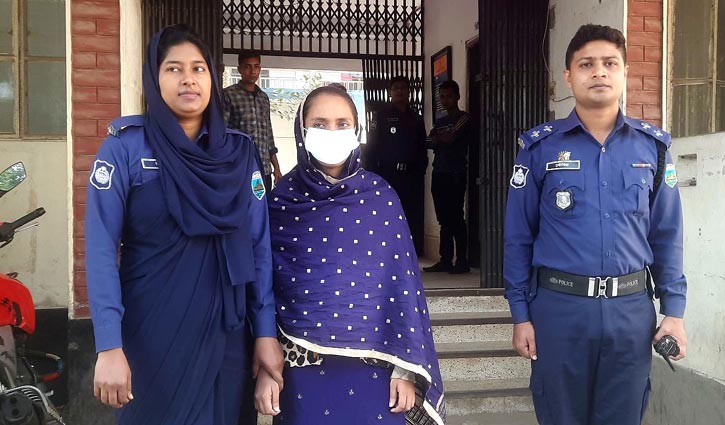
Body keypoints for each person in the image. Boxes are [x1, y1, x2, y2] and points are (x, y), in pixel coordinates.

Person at [85, 24, 283, 425]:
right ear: (154, 78)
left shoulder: (238, 153)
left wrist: (265, 332)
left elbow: (259, 248)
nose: (188, 79)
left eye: (198, 68)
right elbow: (101, 250)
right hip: (152, 332)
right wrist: (108, 344)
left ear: (212, 78)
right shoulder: (125, 148)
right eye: (173, 68)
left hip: (227, 335)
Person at [503, 24, 687, 425]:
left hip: (630, 313)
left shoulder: (652, 148)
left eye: (610, 63)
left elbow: (667, 235)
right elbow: (518, 236)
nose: (599, 72)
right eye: (586, 64)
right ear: (568, 75)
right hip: (559, 311)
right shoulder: (540, 148)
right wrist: (520, 314)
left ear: (624, 72)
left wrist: (673, 312)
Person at [258, 86, 446, 425]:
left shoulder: (381, 198)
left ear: (357, 130)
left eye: (342, 124)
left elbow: (404, 289)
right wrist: (266, 366)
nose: (332, 132)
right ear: (302, 130)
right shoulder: (281, 201)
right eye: (320, 123)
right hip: (301, 367)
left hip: (376, 371)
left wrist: (405, 370)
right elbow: (262, 289)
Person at [363, 76, 427, 255]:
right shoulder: (381, 116)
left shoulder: (416, 118)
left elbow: (421, 148)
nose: (399, 91)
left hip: (410, 177)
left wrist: (419, 172)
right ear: (390, 92)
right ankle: (385, 254)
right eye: (396, 88)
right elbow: (371, 148)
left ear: (409, 92)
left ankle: (408, 255)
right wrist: (374, 176)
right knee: (387, 215)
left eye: (403, 88)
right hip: (387, 175)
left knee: (410, 217)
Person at [423, 80, 472, 274]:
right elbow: (428, 141)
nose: (445, 100)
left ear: (457, 97)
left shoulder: (463, 118)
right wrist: (440, 139)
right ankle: (445, 260)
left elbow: (449, 137)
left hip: (455, 173)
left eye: (449, 96)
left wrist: (439, 139)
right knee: (443, 219)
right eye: (442, 96)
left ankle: (461, 261)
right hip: (439, 173)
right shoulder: (440, 121)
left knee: (456, 217)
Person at [224, 50, 283, 192]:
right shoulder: (228, 95)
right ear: (239, 69)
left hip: (264, 168)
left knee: (263, 203)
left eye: (256, 66)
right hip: (240, 167)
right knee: (243, 204)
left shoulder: (263, 98)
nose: (252, 71)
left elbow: (268, 135)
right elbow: (222, 133)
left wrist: (276, 167)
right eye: (247, 66)